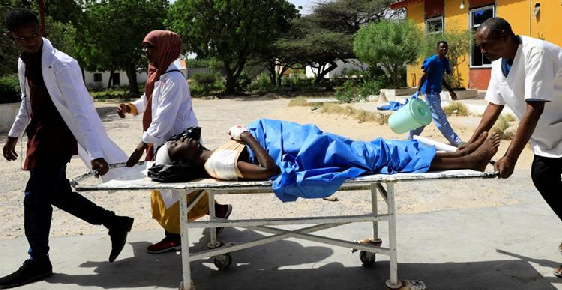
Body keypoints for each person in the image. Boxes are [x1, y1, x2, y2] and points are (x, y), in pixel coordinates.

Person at [0, 8, 134, 288]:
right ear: (12, 38)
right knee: (58, 194)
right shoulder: (24, 61)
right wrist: (14, 135)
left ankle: (38, 261)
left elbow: (81, 110)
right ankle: (115, 222)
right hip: (39, 133)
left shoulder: (61, 64)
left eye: (35, 34)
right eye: (23, 38)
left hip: (58, 136)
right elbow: (27, 101)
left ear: (41, 29)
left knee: (34, 199)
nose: (31, 41)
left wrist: (96, 152)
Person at [467, 17, 562, 280]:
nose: (483, 51)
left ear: (506, 36)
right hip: (560, 127)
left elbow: (534, 108)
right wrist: (472, 143)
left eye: (487, 45)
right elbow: (494, 105)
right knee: (542, 175)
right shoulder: (499, 65)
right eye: (480, 47)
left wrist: (510, 158)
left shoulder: (536, 53)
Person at [155, 119, 500, 202]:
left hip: (314, 144)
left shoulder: (214, 152)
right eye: (174, 146)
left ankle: (461, 154)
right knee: (384, 155)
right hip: (311, 158)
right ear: (180, 163)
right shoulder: (216, 165)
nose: (178, 139)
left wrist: (246, 135)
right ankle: (466, 161)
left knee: (384, 149)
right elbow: (269, 169)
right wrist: (247, 136)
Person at [116, 30, 231, 254]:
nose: (147, 52)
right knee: (186, 188)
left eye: (152, 47)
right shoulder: (158, 75)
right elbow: (148, 101)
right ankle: (219, 210)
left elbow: (164, 120)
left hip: (177, 142)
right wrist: (130, 108)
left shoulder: (174, 79)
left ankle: (173, 237)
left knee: (168, 188)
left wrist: (141, 146)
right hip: (164, 141)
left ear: (166, 49)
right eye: (146, 47)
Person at [409, 41, 463, 147]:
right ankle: (456, 141)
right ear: (437, 49)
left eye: (446, 48)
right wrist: (418, 91)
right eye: (442, 48)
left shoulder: (444, 61)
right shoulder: (432, 61)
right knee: (440, 117)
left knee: (425, 117)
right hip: (430, 93)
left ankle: (410, 138)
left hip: (436, 93)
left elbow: (441, 79)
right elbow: (423, 76)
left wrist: (451, 91)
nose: (444, 50)